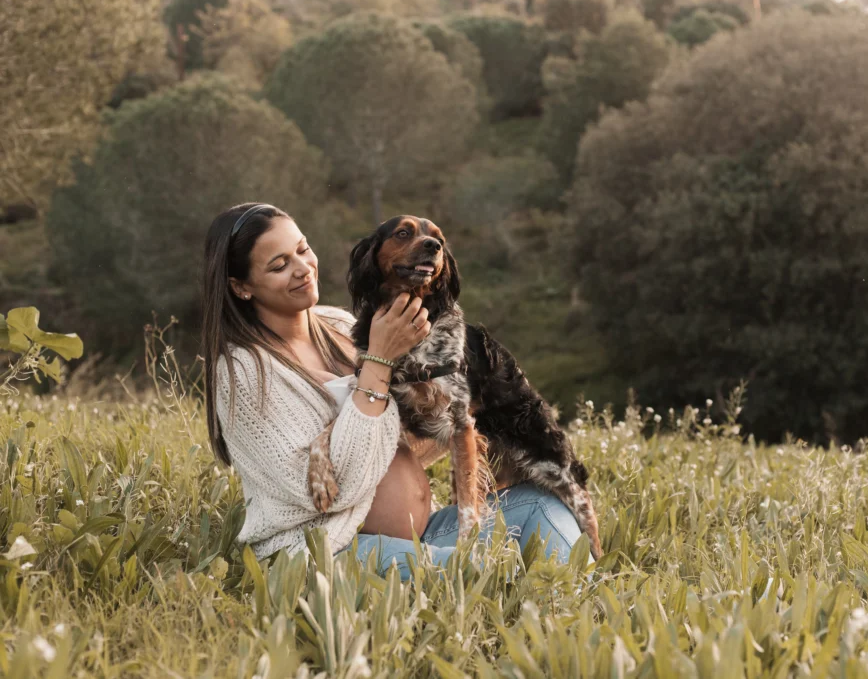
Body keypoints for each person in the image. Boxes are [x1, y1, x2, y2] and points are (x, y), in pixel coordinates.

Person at [200, 202, 590, 579]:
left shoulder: (340, 324)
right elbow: (326, 491)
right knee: (487, 573)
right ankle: (534, 597)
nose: (303, 268)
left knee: (545, 504)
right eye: (280, 265)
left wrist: (460, 392)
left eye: (303, 249)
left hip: (423, 534)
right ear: (242, 286)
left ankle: (578, 603)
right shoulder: (243, 372)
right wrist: (380, 360)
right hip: (331, 551)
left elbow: (406, 436)